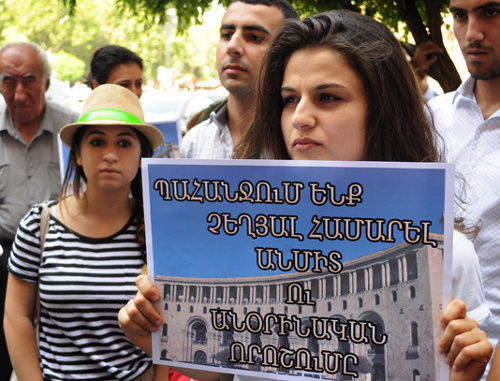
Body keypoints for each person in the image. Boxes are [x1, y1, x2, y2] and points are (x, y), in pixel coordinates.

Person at [120, 10, 493, 381]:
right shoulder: (243, 233)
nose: (300, 116)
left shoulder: (450, 253)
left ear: (382, 109)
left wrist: (462, 375)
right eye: (288, 99)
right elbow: (226, 371)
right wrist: (151, 335)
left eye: (327, 97)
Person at [4, 84, 165, 380]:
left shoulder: (158, 233)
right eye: (97, 142)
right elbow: (17, 318)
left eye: (124, 143)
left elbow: (167, 333)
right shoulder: (38, 225)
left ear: (143, 155)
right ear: (77, 154)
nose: (110, 155)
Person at [428, 1, 500, 378]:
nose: (472, 32)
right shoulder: (428, 119)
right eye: (460, 15)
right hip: (429, 359)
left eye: (492, 11)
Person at [0, 41, 79, 378]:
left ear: (46, 82)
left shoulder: (74, 133)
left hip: (63, 261)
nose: (18, 94)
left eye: (29, 80)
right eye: (7, 81)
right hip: (4, 262)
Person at [179, 0, 299, 159]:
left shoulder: (301, 141)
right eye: (227, 35)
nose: (232, 47)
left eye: (255, 38)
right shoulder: (194, 143)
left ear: (287, 53)